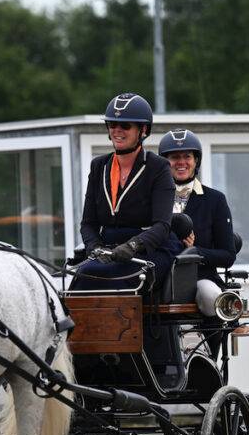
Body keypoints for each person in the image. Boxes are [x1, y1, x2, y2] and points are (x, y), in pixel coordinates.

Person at [71, 93, 181, 291]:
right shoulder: (99, 166)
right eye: (112, 124)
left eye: (125, 125)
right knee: (81, 276)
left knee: (117, 277)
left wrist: (133, 245)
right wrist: (95, 247)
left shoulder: (159, 167)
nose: (117, 130)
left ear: (143, 130)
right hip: (109, 250)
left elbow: (162, 226)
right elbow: (88, 223)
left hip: (150, 249)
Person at [158, 129, 236, 316]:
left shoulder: (215, 199)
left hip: (200, 279)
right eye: (174, 157)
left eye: (187, 156)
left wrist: (194, 251)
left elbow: (227, 255)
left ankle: (215, 336)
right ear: (165, 162)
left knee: (212, 297)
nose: (181, 162)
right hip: (158, 279)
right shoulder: (151, 198)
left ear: (196, 161)